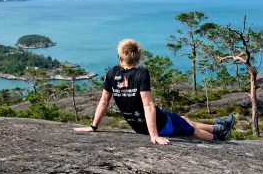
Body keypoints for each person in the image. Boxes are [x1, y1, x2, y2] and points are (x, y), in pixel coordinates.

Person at [74, 39, 234, 145]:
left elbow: (103, 102)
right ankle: (220, 137)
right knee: (192, 130)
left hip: (138, 126)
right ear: (138, 57)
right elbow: (148, 105)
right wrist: (154, 135)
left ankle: (218, 127)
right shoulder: (140, 73)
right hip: (159, 125)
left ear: (120, 56)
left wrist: (93, 127)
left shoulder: (111, 72)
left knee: (183, 119)